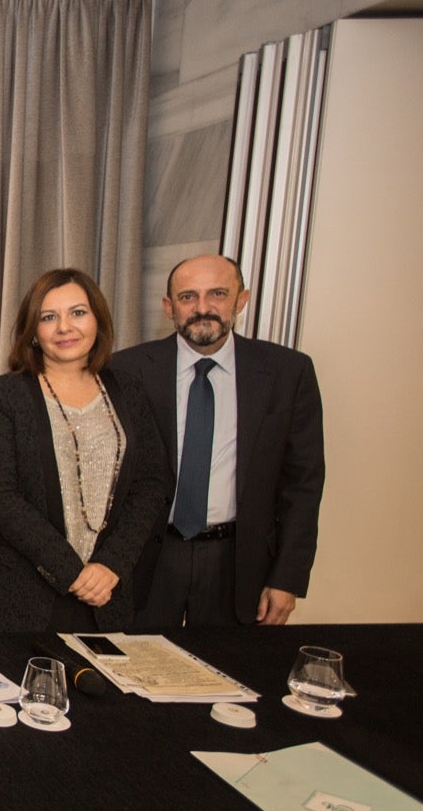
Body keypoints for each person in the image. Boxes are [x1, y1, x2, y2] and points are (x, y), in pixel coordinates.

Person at [109, 254, 325, 627]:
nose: (202, 308)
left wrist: (287, 577)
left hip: (238, 563)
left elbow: (302, 485)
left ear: (241, 300)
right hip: (147, 558)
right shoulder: (125, 369)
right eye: (188, 297)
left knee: (229, 674)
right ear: (169, 307)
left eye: (218, 294)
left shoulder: (288, 373)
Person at [0, 270, 168, 632]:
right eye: (48, 317)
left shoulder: (130, 392)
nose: (64, 328)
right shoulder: (2, 397)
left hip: (107, 593)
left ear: (98, 320)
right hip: (20, 596)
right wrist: (73, 572)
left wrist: (110, 565)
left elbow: (151, 484)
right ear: (33, 331)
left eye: (77, 313)